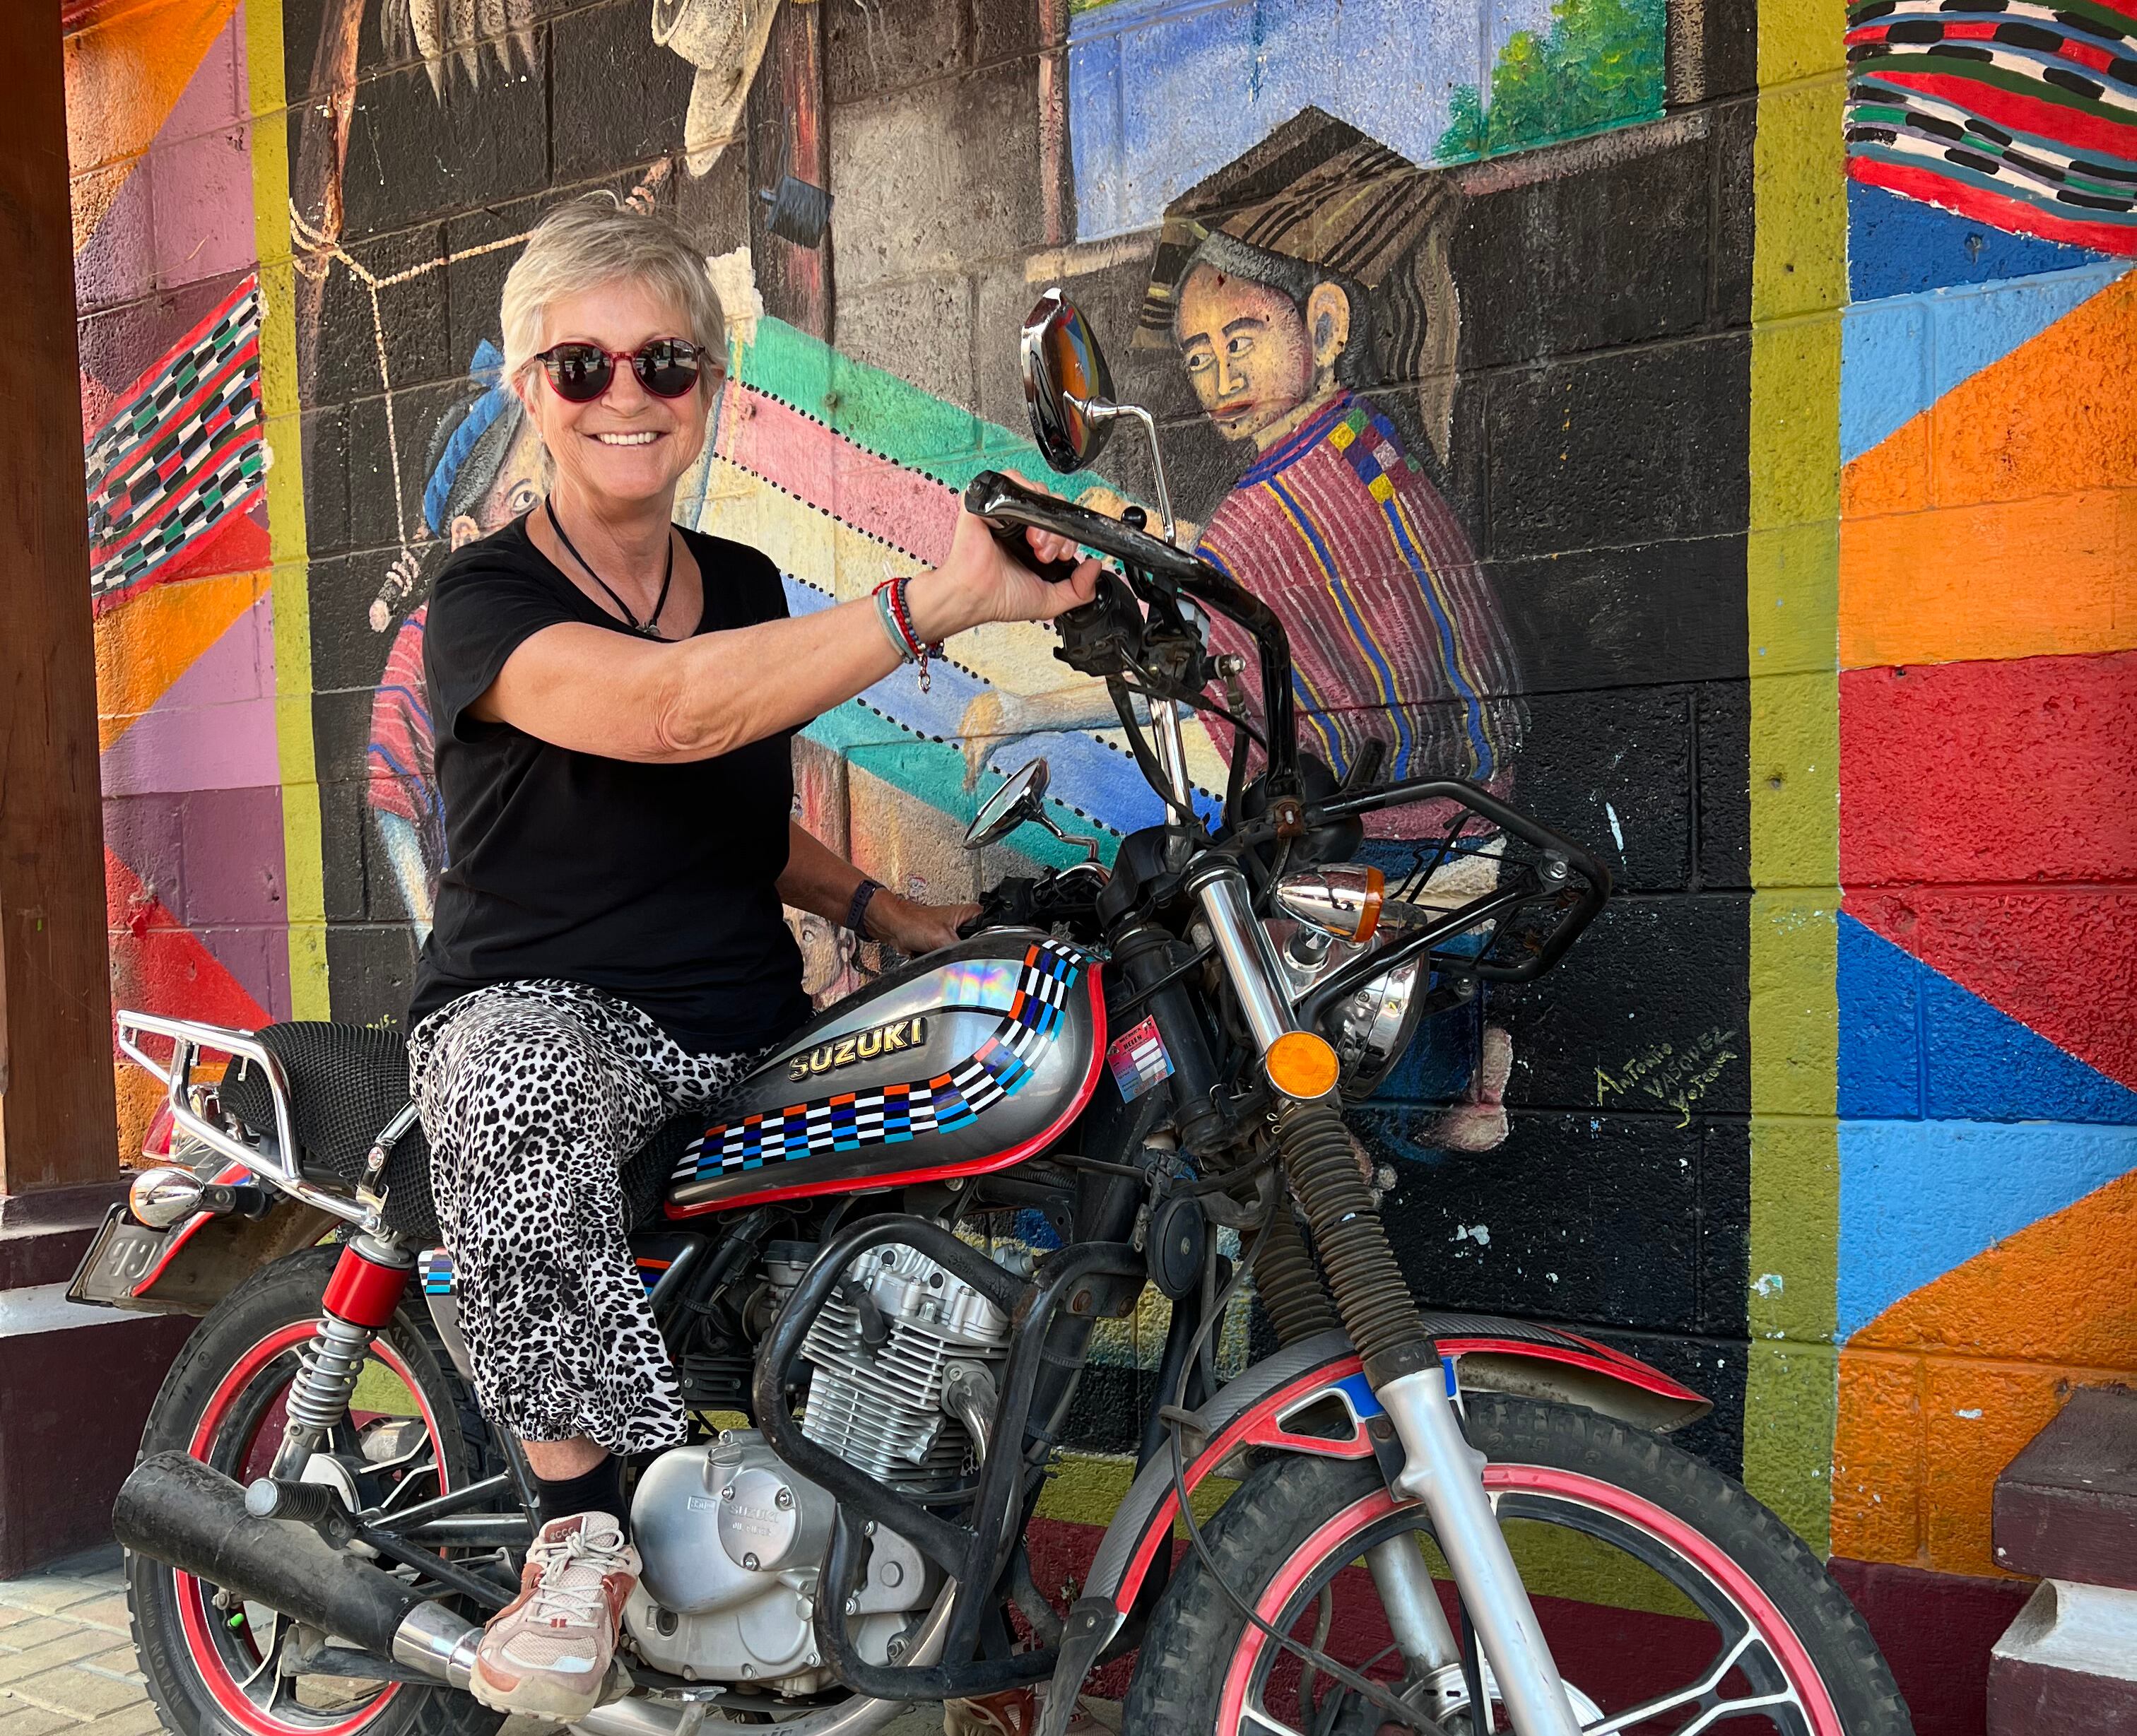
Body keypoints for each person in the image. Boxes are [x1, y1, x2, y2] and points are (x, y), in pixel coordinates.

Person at [404, 194, 1098, 1721]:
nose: (626, 397)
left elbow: (736, 808)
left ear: (707, 385)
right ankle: (579, 1531)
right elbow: (671, 716)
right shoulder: (485, 597)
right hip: (548, 1014)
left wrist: (887, 915)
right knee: (511, 1082)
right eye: (580, 367)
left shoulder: (739, 585)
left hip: (741, 1018)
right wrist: (941, 599)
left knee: (952, 1186)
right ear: (529, 390)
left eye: (663, 362)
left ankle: (905, 1555)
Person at [365, 341, 545, 942]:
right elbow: (392, 790)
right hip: (490, 947)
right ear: (468, 534)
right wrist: (429, 941)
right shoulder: (423, 643)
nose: (547, 518)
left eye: (552, 492)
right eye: (524, 501)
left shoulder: (569, 618)